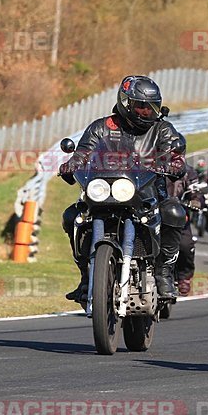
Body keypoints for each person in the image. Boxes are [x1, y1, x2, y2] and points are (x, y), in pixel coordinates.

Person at [60, 75, 186, 302]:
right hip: (103, 194)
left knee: (173, 212)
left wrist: (173, 164)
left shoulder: (162, 130)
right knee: (72, 216)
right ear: (126, 103)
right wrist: (71, 165)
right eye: (142, 107)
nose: (148, 112)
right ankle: (87, 276)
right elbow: (83, 152)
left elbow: (175, 157)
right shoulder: (101, 128)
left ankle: (163, 273)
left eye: (153, 107)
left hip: (148, 196)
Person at [167, 164, 200, 296]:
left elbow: (195, 190)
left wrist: (196, 200)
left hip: (178, 215)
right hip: (154, 212)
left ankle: (184, 277)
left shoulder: (188, 171)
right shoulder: (151, 166)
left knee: (185, 245)